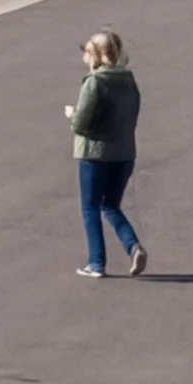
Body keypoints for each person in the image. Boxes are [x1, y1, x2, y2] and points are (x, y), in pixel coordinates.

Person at [71, 31, 143, 278]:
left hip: (96, 155)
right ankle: (133, 246)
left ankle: (96, 263)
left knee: (90, 207)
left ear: (96, 54)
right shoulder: (129, 80)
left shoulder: (95, 82)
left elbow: (81, 123)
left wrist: (72, 116)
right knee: (110, 205)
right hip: (124, 154)